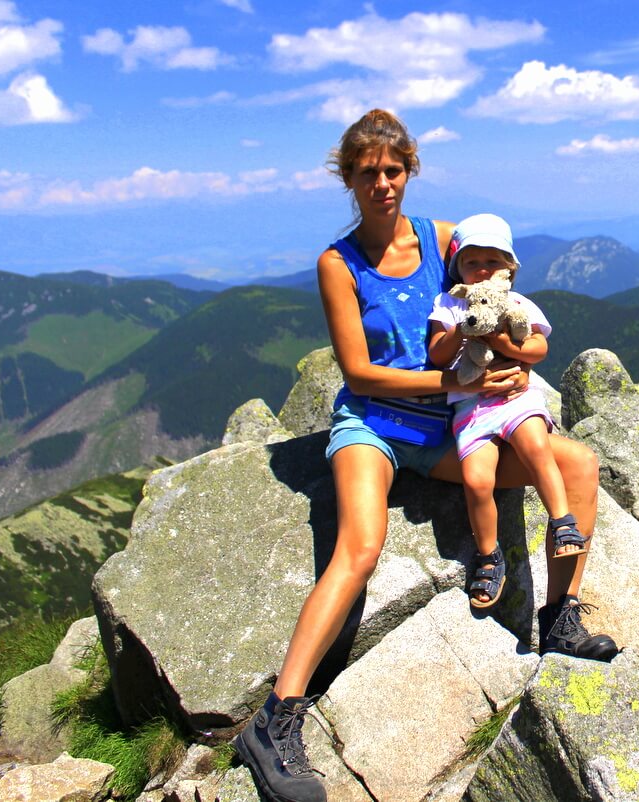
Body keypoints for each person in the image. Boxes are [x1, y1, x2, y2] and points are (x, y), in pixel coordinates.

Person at [233, 109, 618, 802]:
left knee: (579, 465)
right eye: (367, 172)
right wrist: (456, 380)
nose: (383, 183)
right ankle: (276, 720)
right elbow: (359, 373)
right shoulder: (338, 263)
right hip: (374, 426)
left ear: (409, 171)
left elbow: (492, 299)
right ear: (347, 178)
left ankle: (560, 618)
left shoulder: (443, 240)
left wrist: (512, 363)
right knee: (359, 546)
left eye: (393, 169)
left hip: (446, 429)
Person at [427, 213, 587, 609]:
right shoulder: (450, 304)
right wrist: (464, 328)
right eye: (471, 262)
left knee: (536, 447)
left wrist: (497, 336)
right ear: (458, 271)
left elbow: (538, 348)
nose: (482, 270)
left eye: (492, 261)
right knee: (476, 479)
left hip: (516, 399)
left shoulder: (517, 304)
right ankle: (488, 553)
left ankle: (563, 523)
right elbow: (436, 354)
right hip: (471, 408)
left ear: (509, 269)